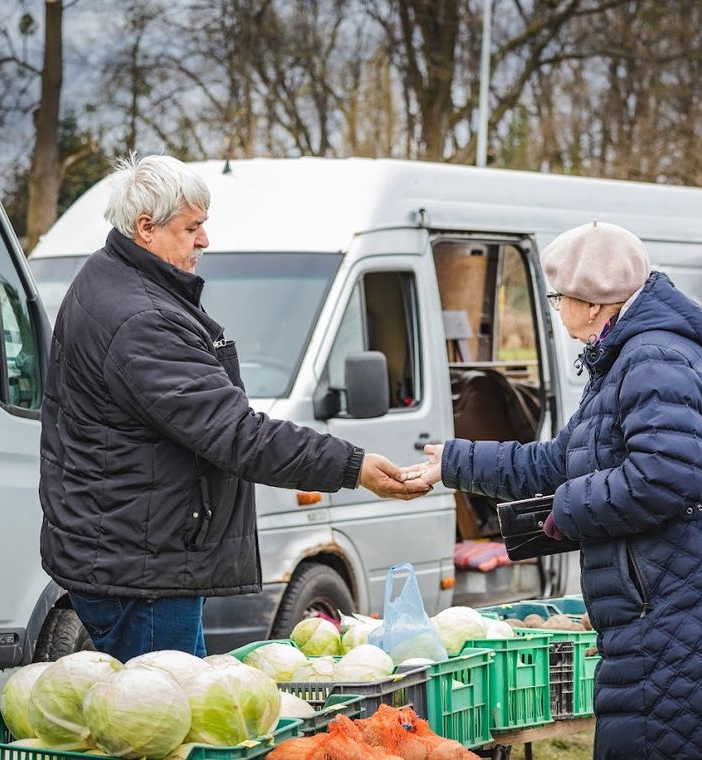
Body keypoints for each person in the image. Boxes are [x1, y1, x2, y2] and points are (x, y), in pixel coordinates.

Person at [404, 222, 702, 759]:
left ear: (593, 304)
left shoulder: (652, 360)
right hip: (671, 607)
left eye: (558, 298)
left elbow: (663, 477)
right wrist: (454, 462)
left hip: (688, 613)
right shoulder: (627, 360)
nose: (556, 309)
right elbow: (560, 460)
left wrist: (567, 509)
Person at [39, 154, 428, 663]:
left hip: (129, 553)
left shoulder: (109, 277)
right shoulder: (142, 321)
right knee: (169, 706)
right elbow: (237, 434)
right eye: (191, 228)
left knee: (168, 701)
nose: (204, 240)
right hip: (143, 571)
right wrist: (353, 467)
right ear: (146, 228)